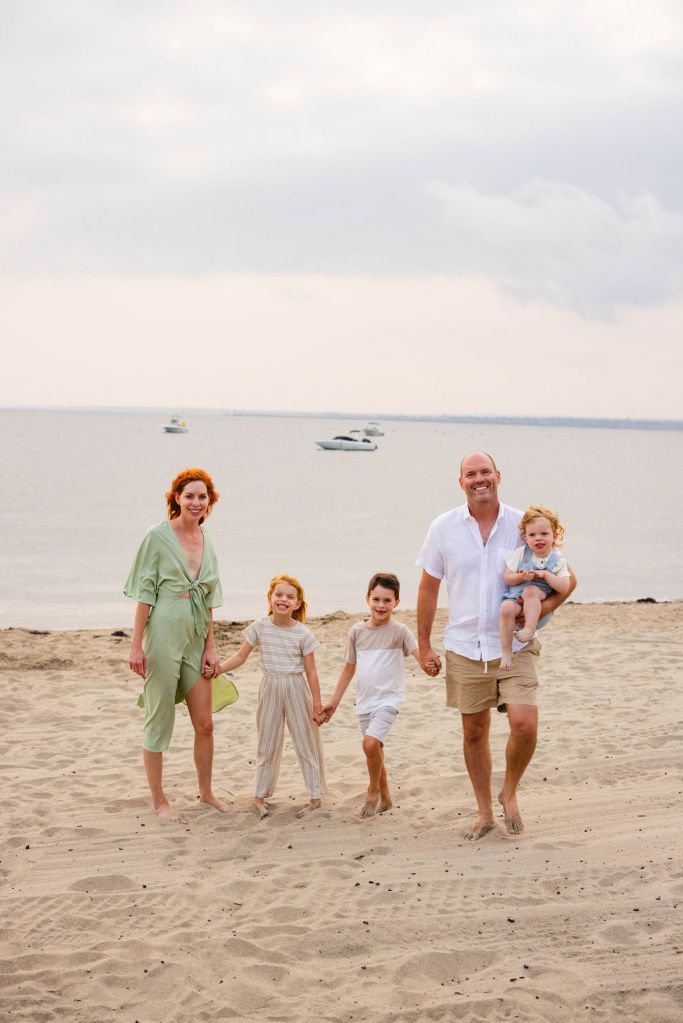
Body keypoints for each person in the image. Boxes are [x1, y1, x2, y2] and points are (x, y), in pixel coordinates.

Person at [416, 452, 576, 840]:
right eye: (470, 474)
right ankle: (485, 812)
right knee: (474, 732)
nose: (479, 479)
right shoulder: (443, 527)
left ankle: (510, 791)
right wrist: (424, 646)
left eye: (485, 472)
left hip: (514, 646)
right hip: (464, 645)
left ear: (498, 476)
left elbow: (568, 580)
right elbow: (428, 588)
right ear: (461, 482)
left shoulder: (523, 525)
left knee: (524, 723)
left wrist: (539, 611)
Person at [125, 468, 227, 824]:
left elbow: (210, 598)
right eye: (190, 496)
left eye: (203, 497)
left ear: (209, 501)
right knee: (159, 719)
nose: (196, 503)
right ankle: (159, 800)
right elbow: (143, 595)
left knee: (205, 723)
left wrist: (211, 647)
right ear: (177, 498)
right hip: (164, 632)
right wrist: (136, 645)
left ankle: (207, 792)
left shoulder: (207, 538)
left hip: (197, 636)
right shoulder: (157, 536)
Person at [207, 574, 326, 820]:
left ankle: (315, 798)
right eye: (279, 595)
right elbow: (240, 657)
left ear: (297, 603)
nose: (283, 600)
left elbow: (312, 673)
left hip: (295, 687)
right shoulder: (260, 626)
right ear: (270, 598)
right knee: (267, 743)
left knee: (306, 743)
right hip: (270, 686)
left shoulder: (303, 634)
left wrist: (317, 704)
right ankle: (259, 796)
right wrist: (219, 669)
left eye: (290, 597)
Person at [321, 572, 425, 818]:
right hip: (365, 700)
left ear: (397, 603)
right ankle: (387, 798)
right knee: (375, 749)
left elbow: (420, 655)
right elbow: (349, 668)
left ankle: (372, 789)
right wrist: (334, 702)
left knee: (369, 744)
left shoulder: (400, 631)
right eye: (376, 599)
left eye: (387, 601)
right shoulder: (356, 631)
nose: (381, 605)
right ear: (367, 598)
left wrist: (430, 665)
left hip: (389, 699)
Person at [499, 505, 571, 670]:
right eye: (532, 535)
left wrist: (545, 575)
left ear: (555, 535)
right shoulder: (520, 553)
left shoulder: (556, 559)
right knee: (506, 608)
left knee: (530, 590)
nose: (538, 538)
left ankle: (529, 629)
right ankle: (506, 651)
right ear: (525, 537)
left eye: (544, 534)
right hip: (516, 596)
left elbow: (564, 587)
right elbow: (507, 578)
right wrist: (520, 576)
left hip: (538, 596)